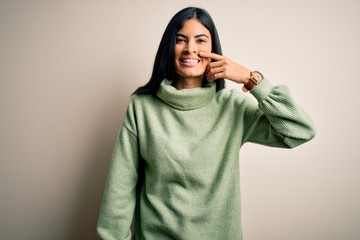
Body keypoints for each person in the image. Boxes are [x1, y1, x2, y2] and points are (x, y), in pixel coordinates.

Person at [97, 6, 316, 240]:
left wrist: (251, 79)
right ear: (169, 48)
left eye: (201, 40)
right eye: (180, 40)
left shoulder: (232, 107)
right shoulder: (142, 107)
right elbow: (118, 193)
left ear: (213, 50)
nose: (190, 48)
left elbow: (300, 131)